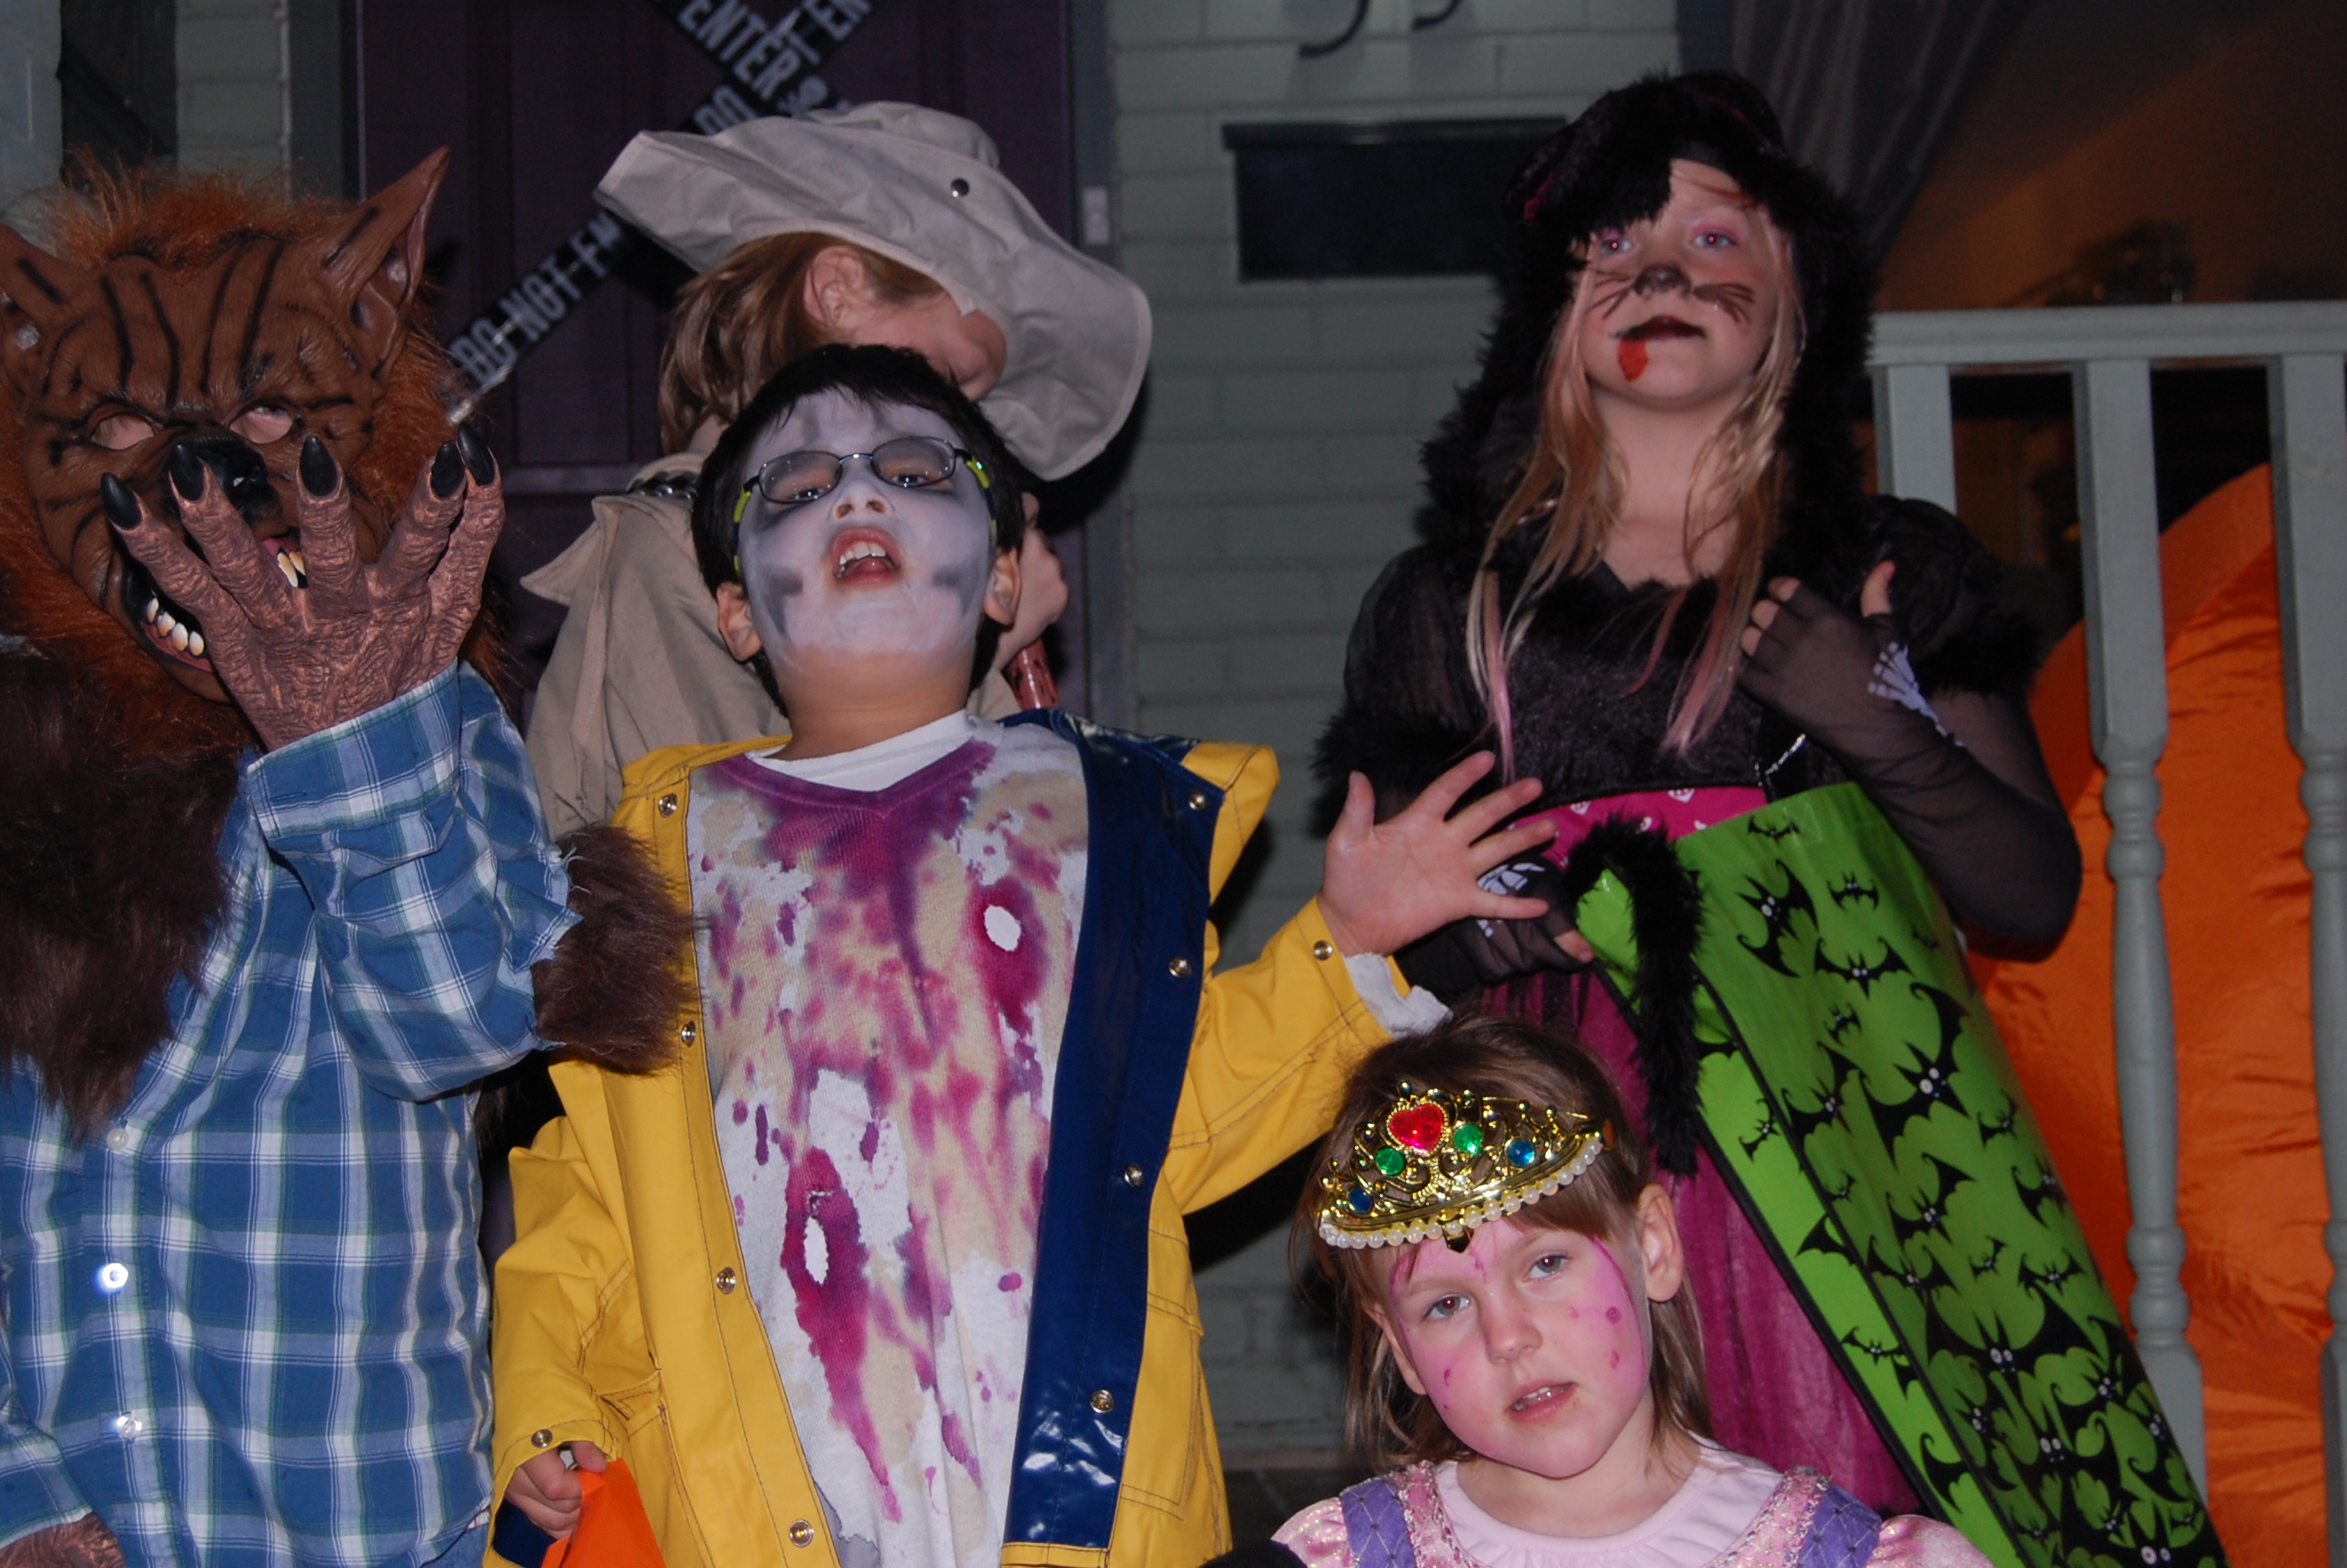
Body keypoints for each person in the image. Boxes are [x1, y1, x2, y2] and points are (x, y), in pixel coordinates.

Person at [1314, 73, 2219, 1562]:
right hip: (1574, 1160)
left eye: (1714, 241)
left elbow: (2029, 896)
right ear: (1552, 313)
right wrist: (1496, 927)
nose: (1662, 273)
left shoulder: (1879, 571)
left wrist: (1871, 712)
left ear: (1793, 297)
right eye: (1615, 245)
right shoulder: (1451, 609)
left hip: (1859, 1131)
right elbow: (1412, 938)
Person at [488, 344, 1562, 1568]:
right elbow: (588, 1187)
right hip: (751, 1495)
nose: (857, 493)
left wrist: (1348, 946)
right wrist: (548, 1401)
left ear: (1003, 574)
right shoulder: (657, 863)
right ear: (735, 608)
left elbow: (1164, 1123)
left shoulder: (1103, 825)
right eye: (798, 486)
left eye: (910, 469)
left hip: (1062, 1494)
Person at [0, 158, 685, 1568]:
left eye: (264, 421)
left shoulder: (434, 723)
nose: (200, 488)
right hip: (66, 1488)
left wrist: (348, 741)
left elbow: (455, 1027)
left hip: (346, 1515)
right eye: (122, 428)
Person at [519, 101, 1149, 835]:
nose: (955, 423)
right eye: (947, 376)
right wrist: (981, 643)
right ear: (837, 292)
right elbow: (777, 866)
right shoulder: (672, 555)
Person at [1238, 1017, 1991, 1567]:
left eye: (1545, 1265)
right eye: (1446, 1305)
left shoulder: (1842, 1556)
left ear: (1654, 1246)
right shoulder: (1345, 1556)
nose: (1508, 1338)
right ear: (1401, 1348)